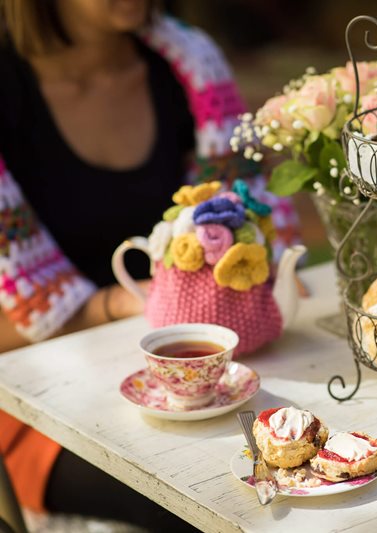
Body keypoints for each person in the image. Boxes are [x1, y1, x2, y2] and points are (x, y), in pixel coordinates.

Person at [0, 0, 300, 529]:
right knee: (222, 508)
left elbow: (243, 223)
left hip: (190, 375)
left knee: (298, 473)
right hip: (34, 411)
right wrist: (118, 302)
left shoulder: (188, 67)